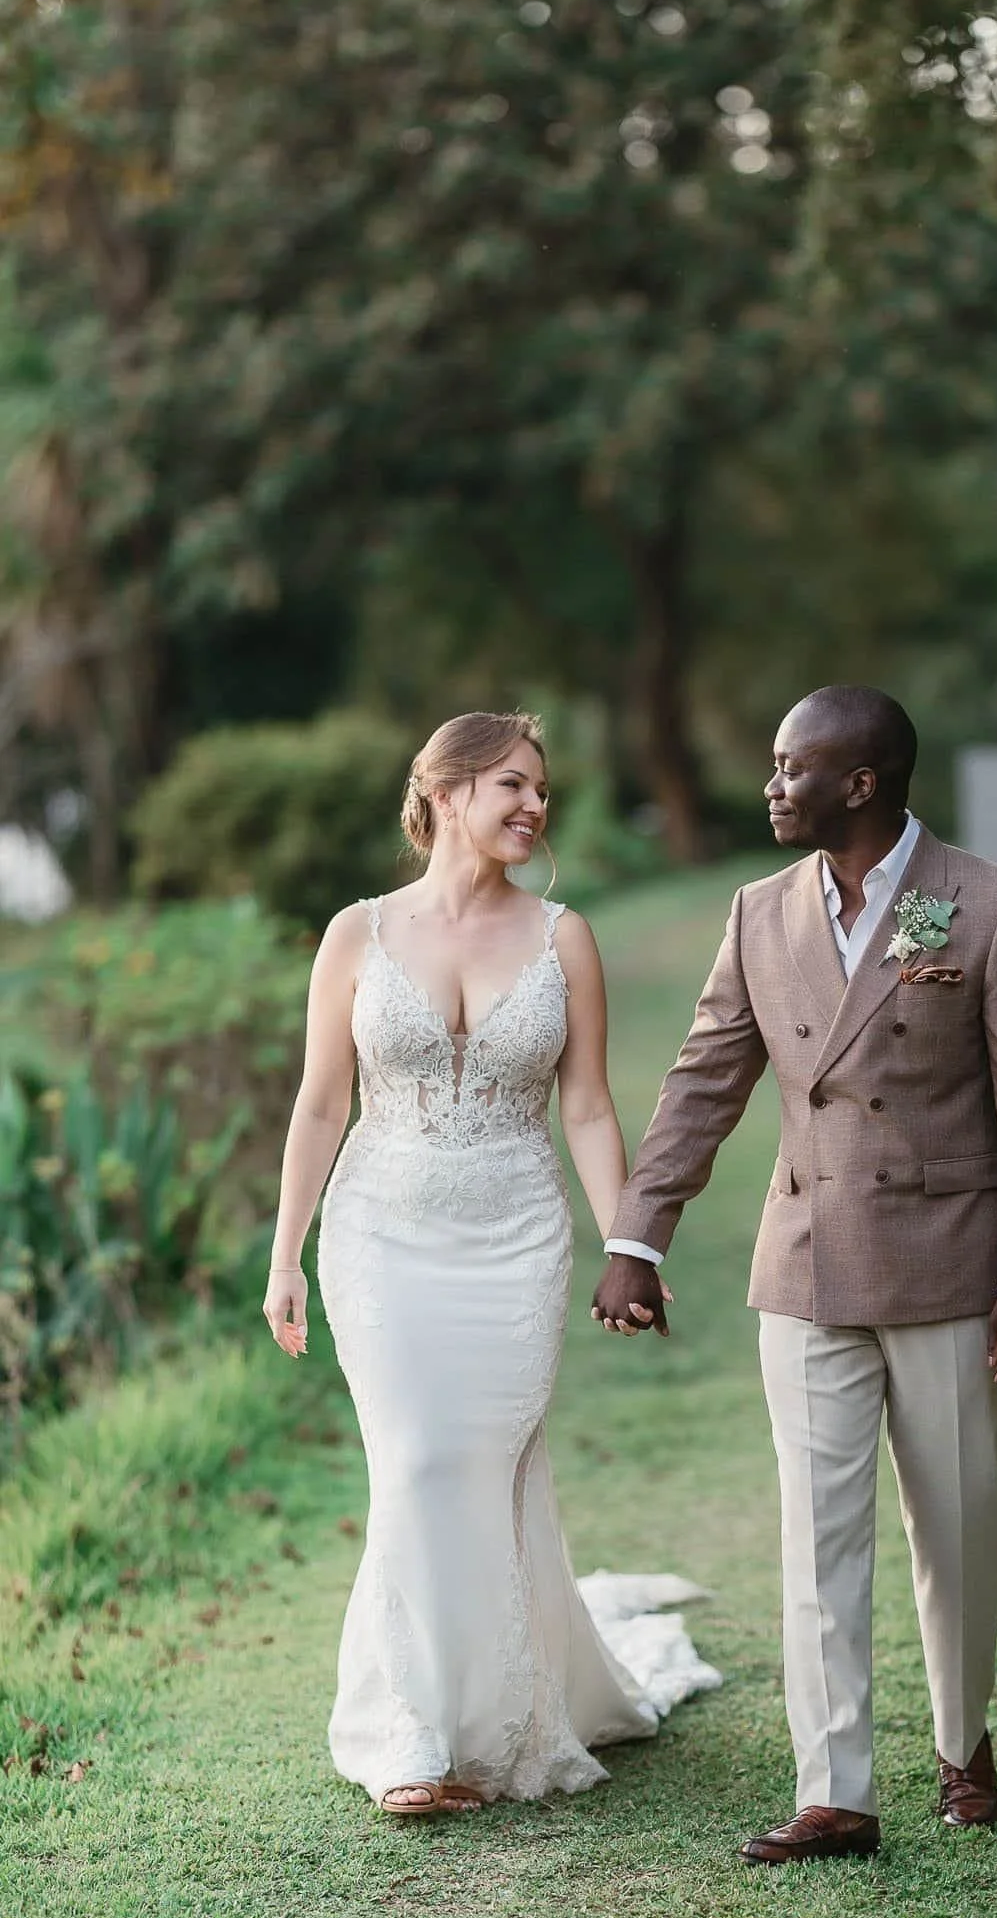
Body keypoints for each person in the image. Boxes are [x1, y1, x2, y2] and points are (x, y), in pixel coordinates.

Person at [592, 686, 997, 1864]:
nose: (770, 785)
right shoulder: (759, 911)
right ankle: (837, 1790)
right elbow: (705, 1075)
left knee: (960, 1526)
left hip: (951, 1269)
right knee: (818, 1535)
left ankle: (962, 1744)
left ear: (860, 782)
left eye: (788, 766)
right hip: (803, 1267)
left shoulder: (989, 903)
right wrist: (636, 1233)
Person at [263, 710, 717, 1817]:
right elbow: (322, 1103)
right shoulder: (356, 933)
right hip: (380, 1231)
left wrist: (632, 1244)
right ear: (447, 793)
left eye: (542, 790)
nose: (534, 807)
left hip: (515, 1235)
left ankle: (496, 1705)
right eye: (513, 784)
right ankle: (411, 1734)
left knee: (483, 1465)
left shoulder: (564, 937)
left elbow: (592, 1106)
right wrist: (286, 1255)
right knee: (414, 1460)